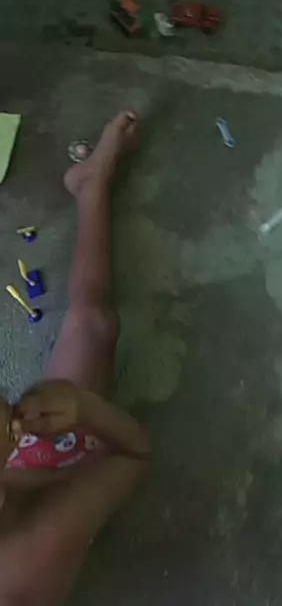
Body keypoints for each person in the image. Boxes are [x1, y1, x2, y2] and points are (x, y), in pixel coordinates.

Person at [0, 110, 149, 605]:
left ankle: (90, 187)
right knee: (94, 326)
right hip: (66, 490)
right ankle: (90, 188)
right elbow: (134, 455)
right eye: (11, 430)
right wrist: (85, 409)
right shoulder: (41, 547)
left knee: (92, 324)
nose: (19, 417)